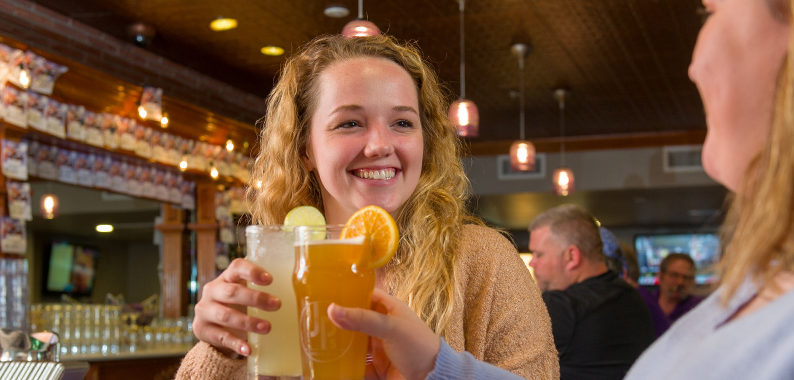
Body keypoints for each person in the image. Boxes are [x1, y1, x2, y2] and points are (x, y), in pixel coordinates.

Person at [323, 0, 794, 378]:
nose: (692, 63)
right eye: (348, 122)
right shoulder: (791, 271)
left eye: (711, 8)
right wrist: (436, 365)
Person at [174, 34, 558, 379]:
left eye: (403, 123)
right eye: (350, 123)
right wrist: (223, 350)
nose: (379, 145)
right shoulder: (279, 268)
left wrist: (434, 368)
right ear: (304, 148)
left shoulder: (484, 262)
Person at [527, 205, 654, 380]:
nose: (532, 263)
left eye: (539, 254)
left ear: (572, 256)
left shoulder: (561, 305)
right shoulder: (633, 298)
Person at [636, 253, 703, 338]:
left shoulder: (698, 307)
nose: (680, 282)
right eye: (674, 275)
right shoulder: (643, 303)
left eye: (686, 277)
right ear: (660, 276)